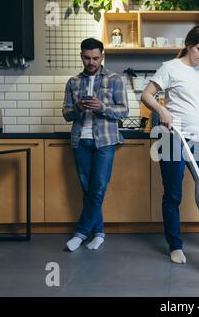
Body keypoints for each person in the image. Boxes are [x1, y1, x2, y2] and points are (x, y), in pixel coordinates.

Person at [141, 26, 199, 264]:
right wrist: (161, 108)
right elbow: (146, 95)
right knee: (173, 195)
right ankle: (175, 245)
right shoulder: (170, 68)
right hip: (171, 139)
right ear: (189, 45)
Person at [62, 38, 128, 251]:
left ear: (102, 57)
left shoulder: (115, 79)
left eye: (95, 58)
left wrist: (101, 107)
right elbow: (66, 113)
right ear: (81, 56)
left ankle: (81, 233)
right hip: (80, 140)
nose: (91, 62)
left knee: (98, 188)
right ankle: (98, 232)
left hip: (105, 142)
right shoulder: (73, 82)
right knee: (88, 189)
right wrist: (79, 108)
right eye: (87, 58)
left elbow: (124, 112)